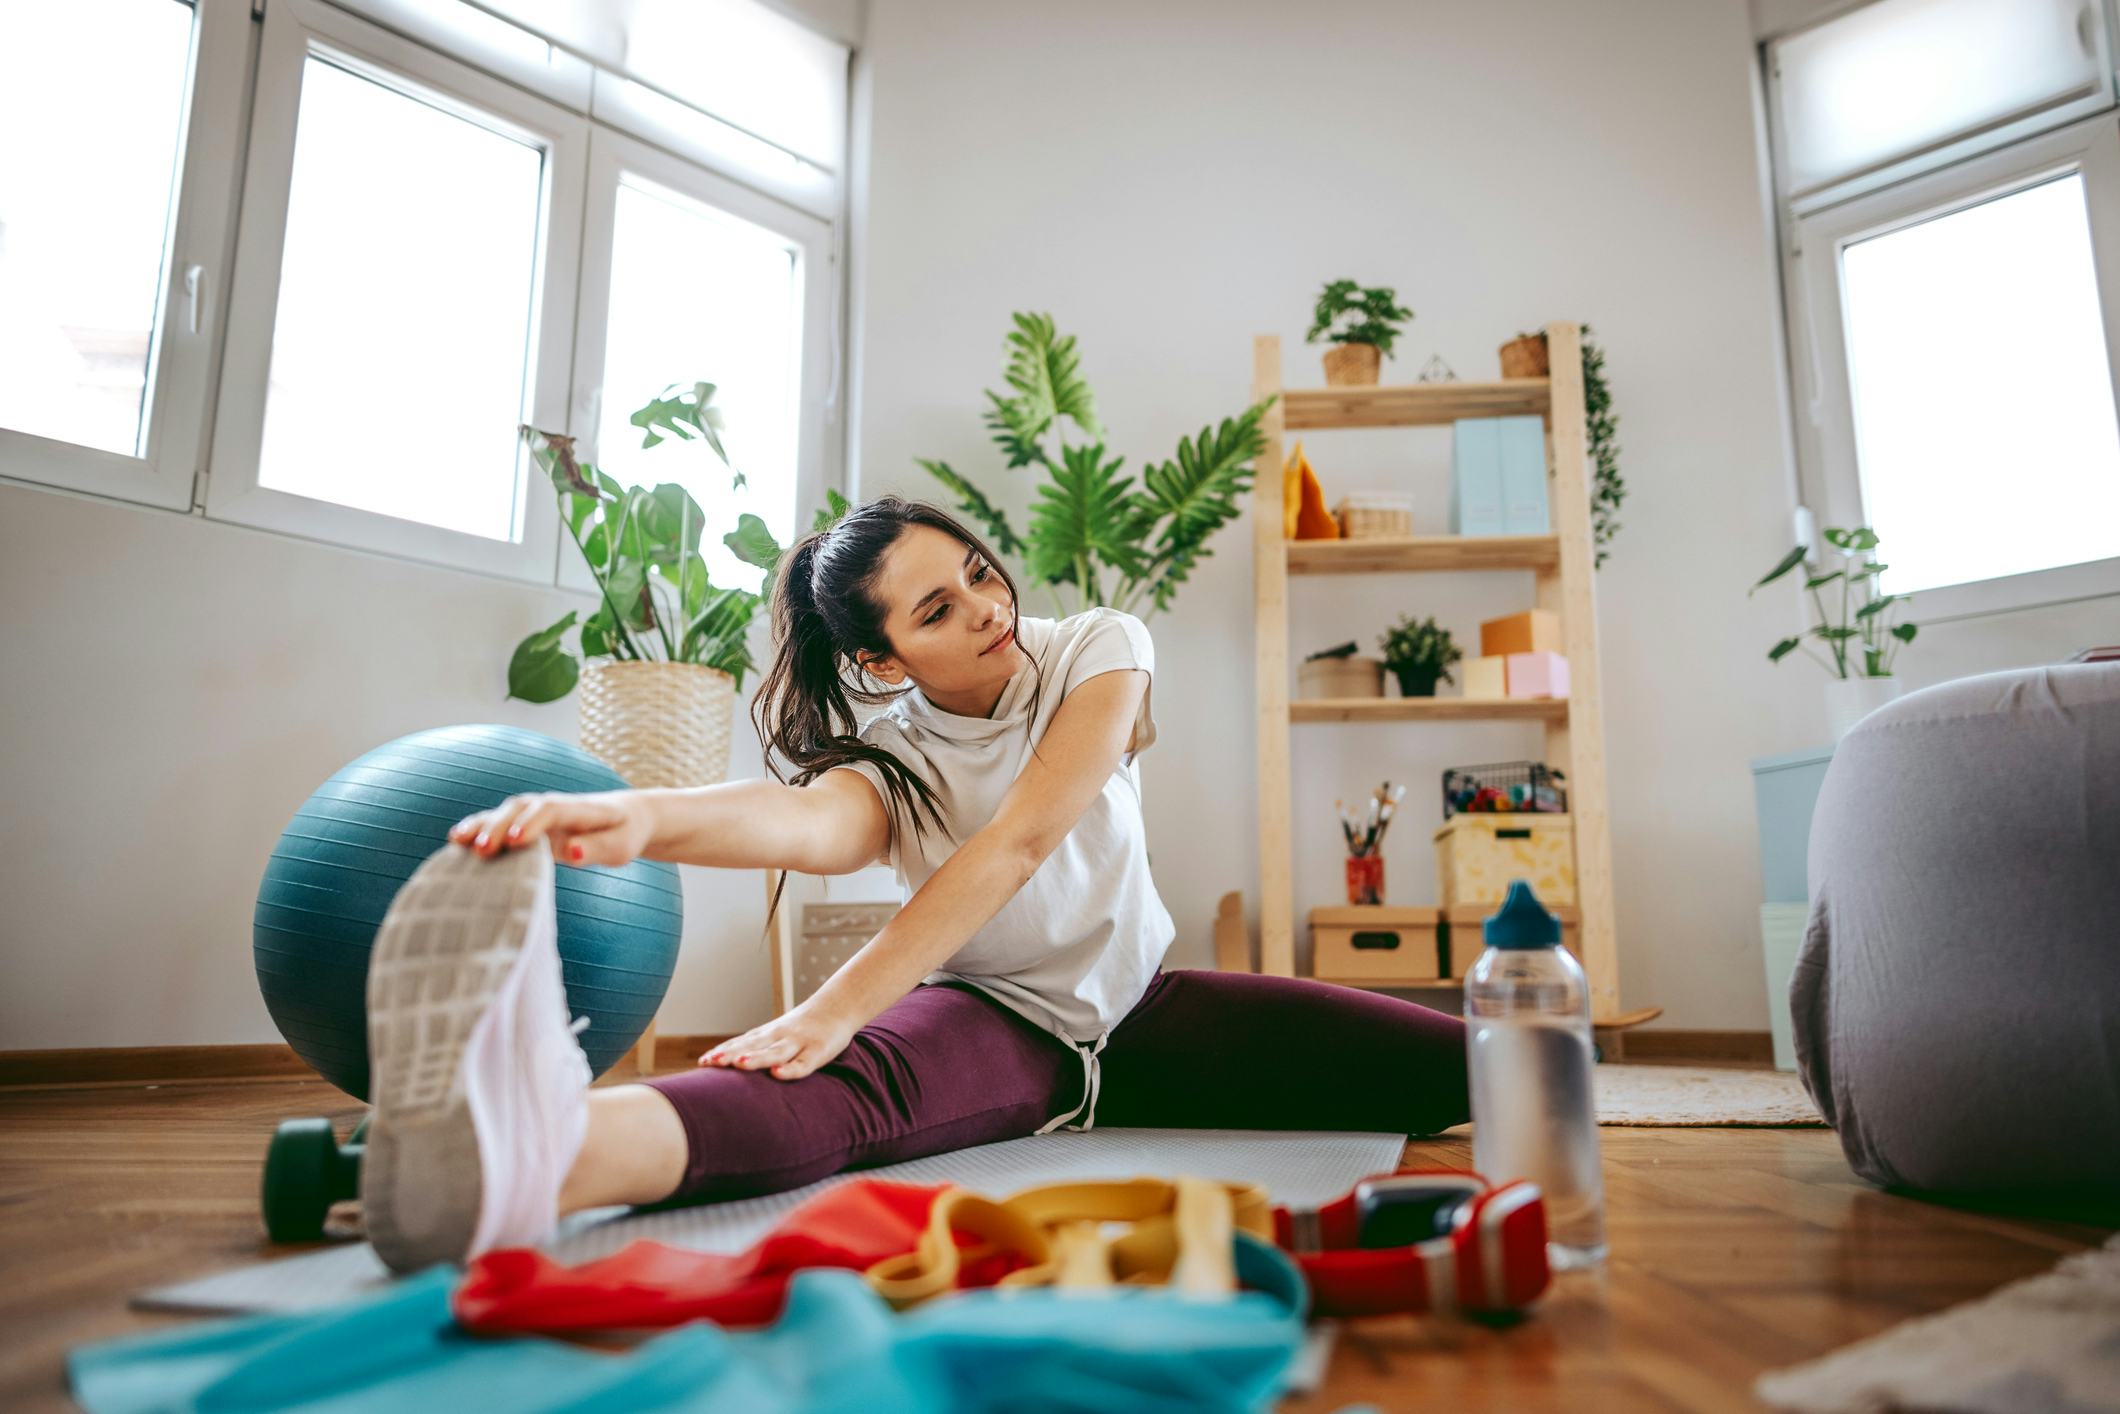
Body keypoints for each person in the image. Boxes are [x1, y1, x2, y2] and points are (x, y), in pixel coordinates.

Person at [360, 496, 1471, 1274]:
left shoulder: (1097, 646)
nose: (985, 607)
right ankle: (528, 1158)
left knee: (1465, 1064)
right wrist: (640, 816)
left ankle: (441, 1150)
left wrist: (836, 999)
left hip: (1144, 1011)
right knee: (837, 1094)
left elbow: (1021, 841)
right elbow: (803, 819)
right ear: (883, 659)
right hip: (993, 1016)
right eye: (935, 609)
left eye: (976, 574)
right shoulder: (894, 753)